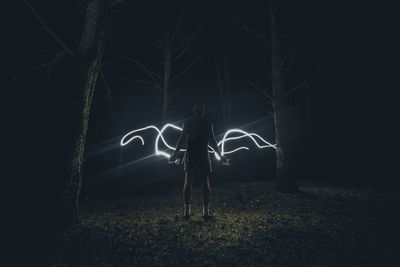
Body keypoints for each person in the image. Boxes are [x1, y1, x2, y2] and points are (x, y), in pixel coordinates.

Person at [169, 104, 230, 220]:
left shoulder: (188, 122)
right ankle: (205, 213)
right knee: (205, 183)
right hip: (203, 155)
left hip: (191, 155)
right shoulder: (207, 123)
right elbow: (213, 141)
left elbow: (181, 139)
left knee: (188, 183)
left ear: (194, 111)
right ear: (203, 111)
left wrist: (174, 155)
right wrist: (221, 156)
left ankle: (186, 212)